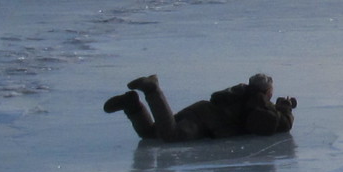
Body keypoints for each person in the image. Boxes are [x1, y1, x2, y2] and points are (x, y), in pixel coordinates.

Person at [105, 73, 296, 142]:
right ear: (267, 91)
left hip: (200, 110)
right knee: (170, 136)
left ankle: (132, 105)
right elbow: (271, 124)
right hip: (205, 122)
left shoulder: (242, 92)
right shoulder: (257, 102)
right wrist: (285, 109)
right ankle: (153, 90)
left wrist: (277, 106)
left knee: (150, 133)